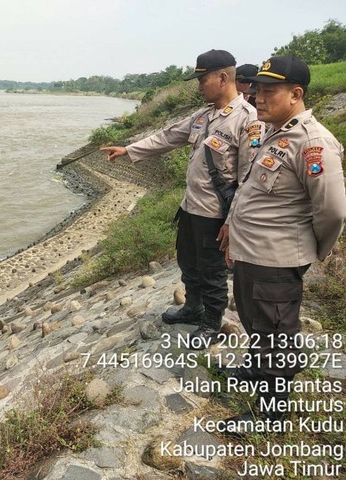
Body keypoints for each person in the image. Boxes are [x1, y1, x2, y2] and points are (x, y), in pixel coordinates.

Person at [101, 49, 263, 349]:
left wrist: (232, 222)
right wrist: (129, 150)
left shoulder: (247, 120)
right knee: (188, 261)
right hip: (191, 207)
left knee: (212, 270)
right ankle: (193, 307)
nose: (199, 85)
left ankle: (212, 322)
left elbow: (248, 179)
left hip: (216, 214)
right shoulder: (204, 115)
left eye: (202, 79)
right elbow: (168, 136)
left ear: (223, 77)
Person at [218, 55, 346, 433]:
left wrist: (310, 251)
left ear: (296, 93)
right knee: (258, 323)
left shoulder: (313, 142)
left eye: (269, 90)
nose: (257, 96)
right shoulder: (275, 132)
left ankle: (270, 418)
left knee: (275, 335)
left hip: (276, 260)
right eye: (257, 88)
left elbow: (334, 211)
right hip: (252, 255)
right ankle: (257, 371)